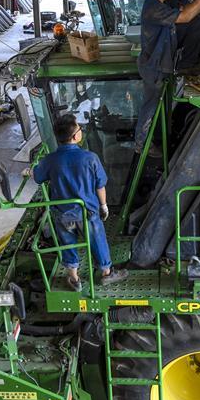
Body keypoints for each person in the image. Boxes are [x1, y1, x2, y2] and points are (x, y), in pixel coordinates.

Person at [32, 114, 128, 291]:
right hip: (87, 213)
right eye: (79, 129)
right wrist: (104, 205)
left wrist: (30, 171)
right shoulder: (90, 158)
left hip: (62, 214)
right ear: (76, 136)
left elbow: (37, 176)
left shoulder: (51, 160)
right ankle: (107, 273)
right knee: (98, 240)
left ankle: (74, 279)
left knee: (68, 243)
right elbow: (100, 185)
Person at [134, 0, 200, 156]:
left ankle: (161, 136)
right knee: (151, 106)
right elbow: (186, 16)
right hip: (154, 67)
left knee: (160, 105)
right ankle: (141, 144)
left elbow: (190, 9)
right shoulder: (154, 9)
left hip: (161, 63)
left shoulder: (162, 2)